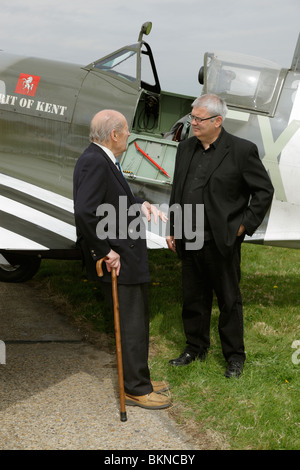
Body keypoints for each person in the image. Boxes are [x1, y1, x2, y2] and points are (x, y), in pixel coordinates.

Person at [167, 94, 274, 378]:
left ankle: (234, 357)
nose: (193, 122)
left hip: (221, 240)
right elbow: (177, 189)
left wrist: (243, 226)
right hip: (189, 236)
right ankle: (195, 347)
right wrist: (173, 229)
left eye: (198, 119)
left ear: (218, 121)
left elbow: (264, 191)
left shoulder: (241, 150)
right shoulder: (185, 148)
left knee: (228, 300)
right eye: (192, 117)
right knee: (192, 297)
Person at [73, 109, 170, 408]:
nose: (130, 134)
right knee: (129, 324)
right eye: (126, 130)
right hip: (118, 258)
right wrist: (105, 251)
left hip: (128, 255)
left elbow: (111, 200)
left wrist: (139, 205)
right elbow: (86, 213)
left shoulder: (103, 159)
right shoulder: (94, 161)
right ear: (114, 134)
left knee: (138, 320)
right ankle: (135, 389)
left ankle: (139, 376)